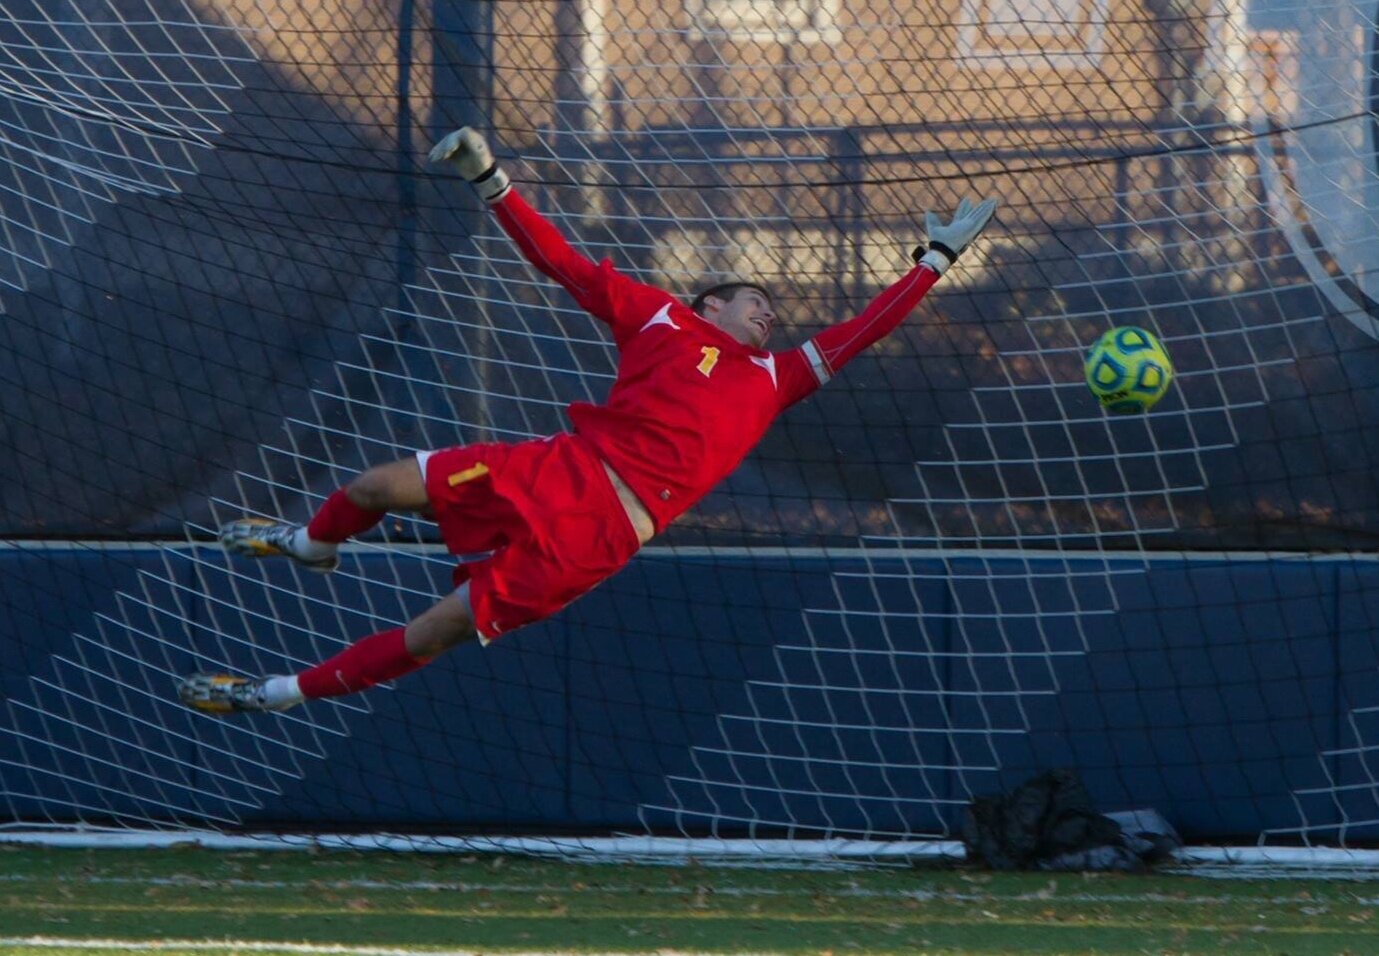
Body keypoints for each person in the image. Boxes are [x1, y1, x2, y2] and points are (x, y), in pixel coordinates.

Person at [177, 128, 998, 714]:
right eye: (757, 301)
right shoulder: (657, 318)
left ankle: (275, 694)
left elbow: (860, 332)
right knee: (376, 484)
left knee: (433, 631)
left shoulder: (774, 378)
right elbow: (560, 262)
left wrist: (932, 262)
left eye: (773, 310)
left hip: (603, 532)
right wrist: (490, 178)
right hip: (560, 467)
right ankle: (314, 544)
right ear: (707, 302)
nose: (769, 315)